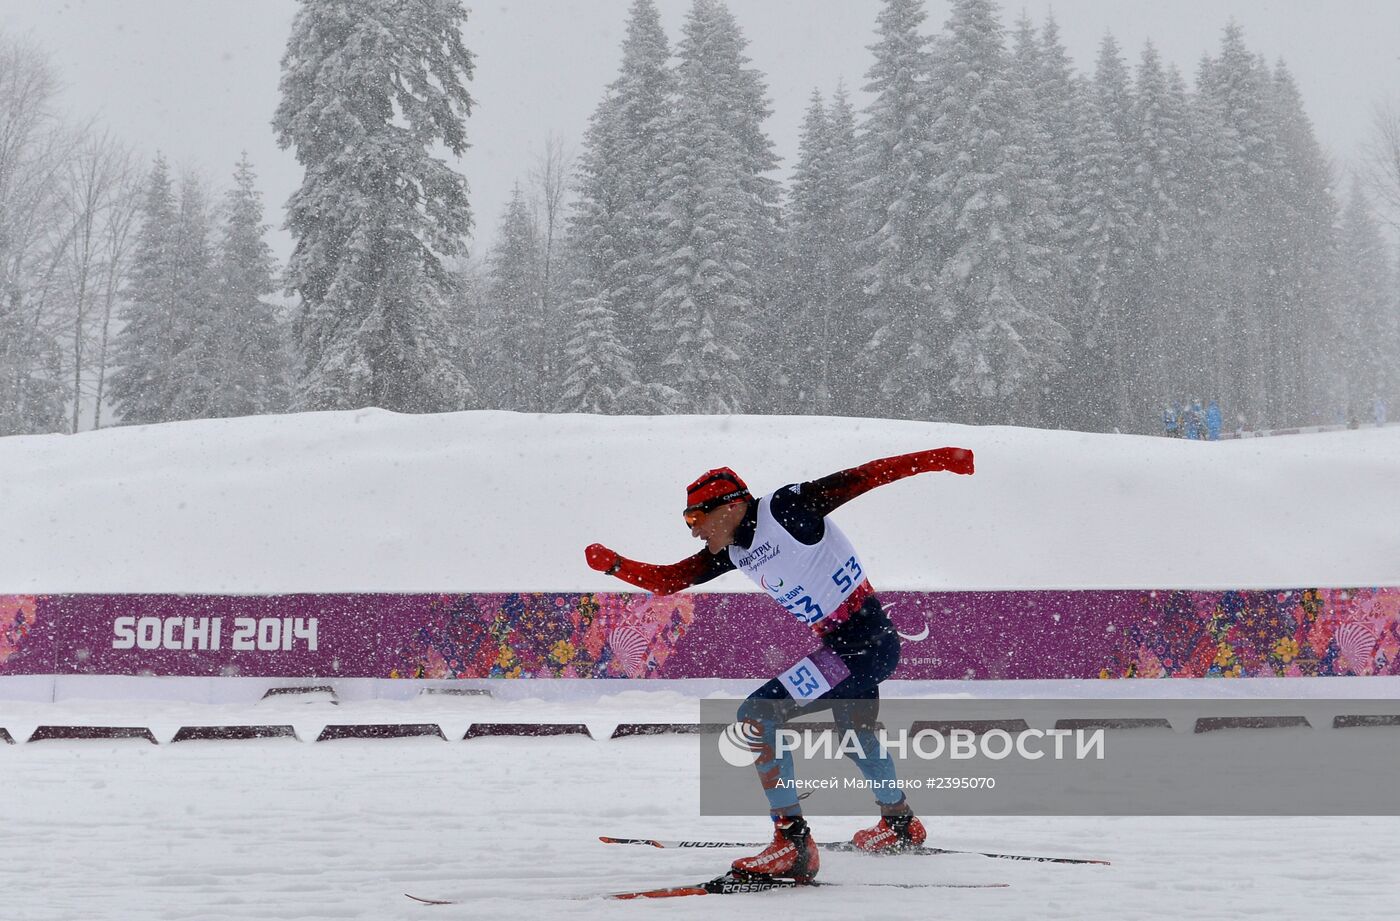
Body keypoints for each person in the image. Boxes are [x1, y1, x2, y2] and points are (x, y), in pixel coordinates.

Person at [585, 447, 976, 882]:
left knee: (757, 713)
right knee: (854, 734)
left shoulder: (786, 508)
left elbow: (866, 476)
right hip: (857, 649)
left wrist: (944, 458)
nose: (693, 531)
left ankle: (792, 842)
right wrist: (617, 566)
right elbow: (670, 580)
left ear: (732, 506)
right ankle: (901, 825)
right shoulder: (730, 548)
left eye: (695, 519)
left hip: (860, 648)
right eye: (687, 521)